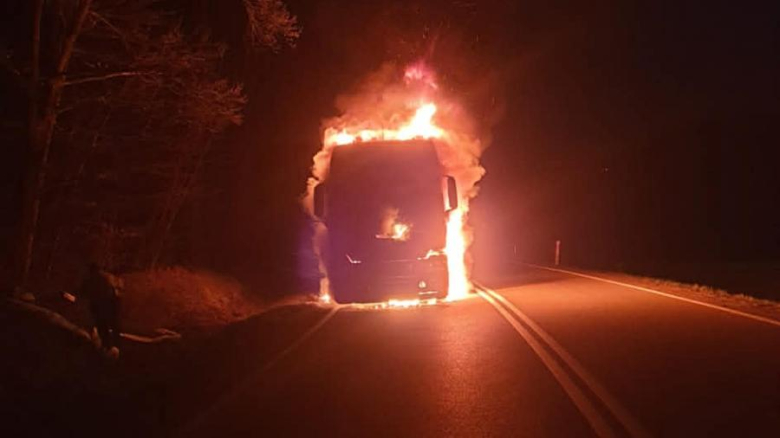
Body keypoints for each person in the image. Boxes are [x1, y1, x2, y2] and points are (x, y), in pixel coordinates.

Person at [77, 262, 123, 358]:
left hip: (98, 306)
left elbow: (82, 292)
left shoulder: (90, 279)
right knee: (114, 325)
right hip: (111, 304)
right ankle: (117, 346)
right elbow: (117, 290)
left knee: (102, 326)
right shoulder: (109, 277)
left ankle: (106, 348)